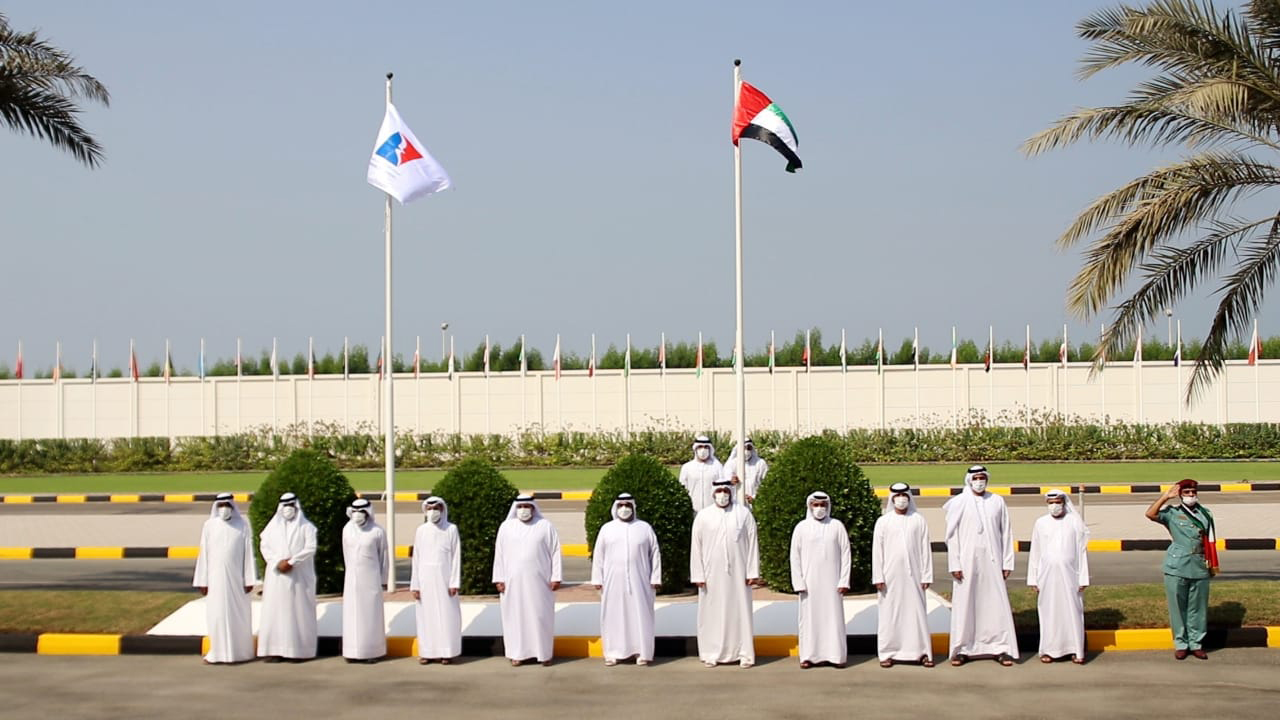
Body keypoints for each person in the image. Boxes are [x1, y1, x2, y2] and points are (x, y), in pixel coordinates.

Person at [943, 465, 1018, 666]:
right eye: (975, 478)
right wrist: (955, 563)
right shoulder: (958, 503)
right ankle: (962, 649)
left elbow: (1006, 532)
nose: (979, 481)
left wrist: (1007, 562)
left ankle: (999, 648)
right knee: (965, 604)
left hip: (993, 561)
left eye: (982, 477)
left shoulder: (997, 501)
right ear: (969, 480)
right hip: (966, 563)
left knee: (995, 604)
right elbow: (951, 536)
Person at [1145, 478, 1218, 660]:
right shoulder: (1172, 513)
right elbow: (1150, 514)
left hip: (1199, 564)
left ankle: (1196, 643)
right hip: (1177, 565)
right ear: (1180, 494)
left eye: (1193, 492)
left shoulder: (1205, 514)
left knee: (1198, 608)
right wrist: (1165, 497)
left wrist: (1210, 564)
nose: (1191, 495)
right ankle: (1181, 643)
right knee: (1177, 607)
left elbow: (1209, 541)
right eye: (1186, 492)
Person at [690, 478, 759, 668]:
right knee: (712, 613)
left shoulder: (743, 514)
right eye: (719, 491)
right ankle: (711, 653)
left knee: (740, 612)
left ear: (731, 492)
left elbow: (752, 542)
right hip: (711, 575)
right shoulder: (703, 516)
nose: (722, 495)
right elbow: (696, 547)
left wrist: (752, 571)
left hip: (739, 574)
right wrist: (698, 574)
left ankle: (743, 653)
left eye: (726, 491)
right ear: (713, 493)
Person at [591, 493, 662, 666]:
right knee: (613, 615)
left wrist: (655, 577)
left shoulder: (644, 528)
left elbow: (655, 554)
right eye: (621, 505)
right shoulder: (607, 529)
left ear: (633, 507)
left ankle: (642, 652)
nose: (624, 509)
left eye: (627, 505)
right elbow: (598, 555)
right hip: (612, 581)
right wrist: (597, 579)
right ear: (616, 507)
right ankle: (613, 653)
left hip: (640, 581)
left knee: (641, 615)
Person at [493, 495, 562, 666]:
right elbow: (499, 554)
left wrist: (556, 576)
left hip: (540, 582)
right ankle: (517, 654)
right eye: (520, 506)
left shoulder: (545, 526)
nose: (523, 510)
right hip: (512, 583)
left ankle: (544, 654)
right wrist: (499, 578)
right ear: (515, 508)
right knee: (515, 617)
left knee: (540, 616)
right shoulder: (506, 527)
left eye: (527, 506)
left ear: (533, 508)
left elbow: (555, 551)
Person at [872, 482, 934, 668]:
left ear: (909, 497)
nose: (901, 499)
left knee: (917, 613)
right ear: (892, 499)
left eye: (904, 496)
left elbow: (925, 549)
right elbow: (877, 551)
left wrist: (926, 575)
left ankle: (922, 652)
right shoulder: (883, 521)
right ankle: (888, 653)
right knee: (890, 613)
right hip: (889, 577)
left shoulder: (918, 520)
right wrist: (878, 576)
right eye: (897, 496)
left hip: (915, 575)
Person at [192, 492, 257, 664]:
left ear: (232, 506)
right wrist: (202, 581)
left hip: (237, 581)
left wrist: (249, 579)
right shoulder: (209, 526)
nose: (224, 509)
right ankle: (217, 653)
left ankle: (240, 653)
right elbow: (204, 554)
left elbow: (248, 553)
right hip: (215, 581)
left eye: (227, 505)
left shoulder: (242, 525)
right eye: (221, 505)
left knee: (238, 616)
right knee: (217, 616)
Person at [789, 491, 851, 669]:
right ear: (810, 506)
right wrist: (798, 582)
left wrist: (844, 580)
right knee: (809, 619)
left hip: (833, 583)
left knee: (833, 618)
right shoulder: (801, 527)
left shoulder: (836, 526)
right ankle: (809, 656)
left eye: (823, 505)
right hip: (809, 584)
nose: (819, 508)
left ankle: (836, 656)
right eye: (816, 505)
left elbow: (846, 554)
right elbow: (795, 556)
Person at [1028, 489, 1089, 664]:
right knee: (1049, 612)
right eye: (1051, 503)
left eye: (1057, 502)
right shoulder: (1040, 523)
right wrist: (1033, 578)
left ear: (1064, 503)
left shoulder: (1074, 522)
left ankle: (1075, 650)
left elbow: (1081, 552)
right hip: (1047, 576)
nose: (1054, 506)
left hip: (1070, 576)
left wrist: (1083, 578)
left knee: (1072, 611)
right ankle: (1049, 650)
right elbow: (1035, 551)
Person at [257, 492, 318, 662]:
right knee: (275, 612)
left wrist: (291, 562)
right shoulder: (271, 528)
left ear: (296, 506)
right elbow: (264, 546)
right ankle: (275, 651)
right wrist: (277, 562)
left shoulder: (307, 527)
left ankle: (298, 651)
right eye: (285, 506)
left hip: (299, 576)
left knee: (298, 612)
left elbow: (310, 548)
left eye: (291, 505)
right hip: (277, 576)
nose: (288, 509)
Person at [410, 496, 462, 665]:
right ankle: (427, 652)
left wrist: (454, 582)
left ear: (442, 510)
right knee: (426, 617)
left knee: (447, 616)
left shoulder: (451, 529)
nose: (433, 512)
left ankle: (446, 653)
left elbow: (456, 557)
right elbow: (416, 558)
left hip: (445, 581)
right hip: (425, 580)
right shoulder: (421, 530)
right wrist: (415, 585)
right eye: (430, 509)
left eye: (436, 508)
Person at [341, 497, 388, 663]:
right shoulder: (347, 529)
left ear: (368, 513)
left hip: (371, 580)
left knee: (370, 615)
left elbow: (383, 557)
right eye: (355, 511)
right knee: (352, 615)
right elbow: (346, 554)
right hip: (352, 580)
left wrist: (383, 580)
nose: (358, 515)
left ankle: (371, 652)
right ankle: (351, 652)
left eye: (361, 511)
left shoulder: (377, 531)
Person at [680, 435, 724, 511]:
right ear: (695, 449)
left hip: (713, 509)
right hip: (693, 508)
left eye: (706, 447)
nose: (703, 450)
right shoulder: (687, 467)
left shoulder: (717, 467)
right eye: (700, 447)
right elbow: (682, 488)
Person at [722, 438, 768, 507]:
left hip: (755, 502)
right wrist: (731, 480)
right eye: (744, 448)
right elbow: (726, 478)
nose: (746, 451)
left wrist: (756, 497)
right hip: (736, 503)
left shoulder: (760, 463)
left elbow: (766, 483)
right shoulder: (732, 463)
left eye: (748, 448)